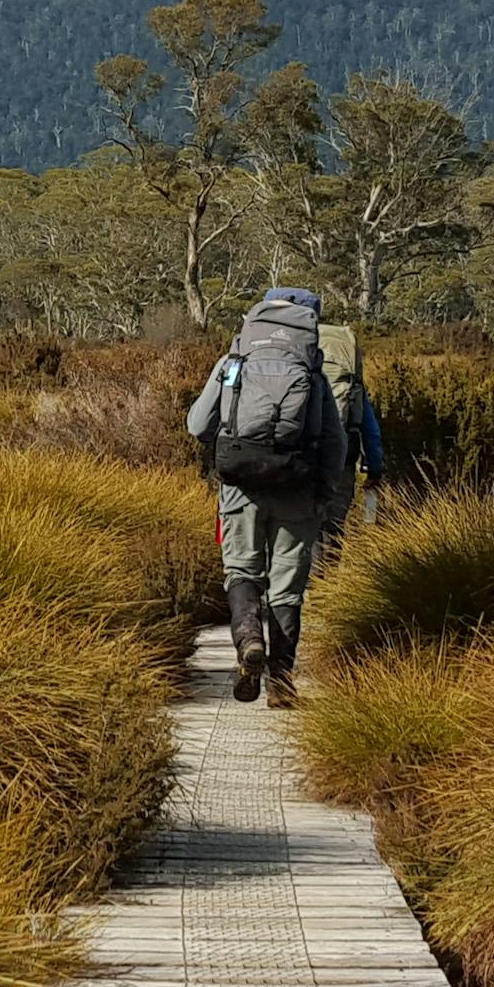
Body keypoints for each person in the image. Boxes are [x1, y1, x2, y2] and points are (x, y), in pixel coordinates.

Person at [187, 286, 345, 707]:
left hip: (241, 486)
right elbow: (335, 443)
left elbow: (198, 424)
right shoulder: (313, 374)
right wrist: (324, 495)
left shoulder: (234, 361)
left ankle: (249, 641)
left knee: (241, 571)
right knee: (287, 589)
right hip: (298, 488)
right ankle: (281, 686)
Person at [317, 320, 385, 555]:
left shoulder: (302, 375)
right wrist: (374, 469)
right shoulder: (352, 382)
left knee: (306, 524)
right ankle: (330, 584)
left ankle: (306, 585)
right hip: (343, 459)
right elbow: (370, 429)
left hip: (302, 459)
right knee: (334, 525)